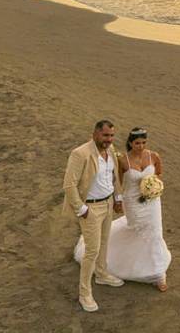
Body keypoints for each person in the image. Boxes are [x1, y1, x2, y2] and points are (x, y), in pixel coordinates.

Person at [74, 126, 172, 291]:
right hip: (133, 202)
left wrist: (154, 188)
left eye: (143, 142)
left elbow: (159, 174)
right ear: (131, 143)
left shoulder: (153, 156)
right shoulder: (122, 160)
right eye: (137, 143)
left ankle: (158, 273)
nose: (140, 146)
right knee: (136, 230)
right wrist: (118, 200)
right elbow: (117, 182)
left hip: (153, 202)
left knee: (155, 232)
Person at [63, 119, 126, 312]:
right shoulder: (80, 153)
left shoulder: (110, 150)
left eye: (111, 135)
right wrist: (82, 209)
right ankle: (85, 293)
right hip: (90, 208)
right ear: (95, 134)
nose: (108, 139)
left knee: (105, 241)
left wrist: (117, 198)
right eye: (105, 135)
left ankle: (101, 274)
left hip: (107, 203)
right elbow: (69, 184)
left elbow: (113, 176)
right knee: (92, 250)